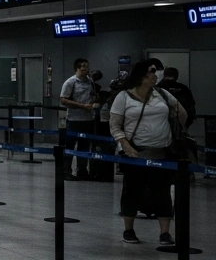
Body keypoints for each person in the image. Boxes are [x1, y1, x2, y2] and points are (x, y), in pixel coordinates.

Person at [111, 59, 187, 245]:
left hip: (161, 152)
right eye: (152, 71)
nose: (155, 75)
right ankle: (129, 230)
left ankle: (164, 233)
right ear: (141, 74)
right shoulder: (124, 97)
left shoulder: (162, 94)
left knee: (162, 192)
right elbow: (115, 125)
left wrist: (174, 132)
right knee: (132, 191)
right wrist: (125, 145)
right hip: (135, 153)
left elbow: (182, 114)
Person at [59, 58, 98, 180]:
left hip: (88, 119)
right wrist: (82, 106)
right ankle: (66, 171)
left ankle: (82, 170)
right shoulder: (71, 82)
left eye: (87, 66)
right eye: (84, 67)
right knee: (70, 146)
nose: (87, 69)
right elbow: (63, 100)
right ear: (78, 68)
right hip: (74, 119)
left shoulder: (90, 81)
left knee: (84, 146)